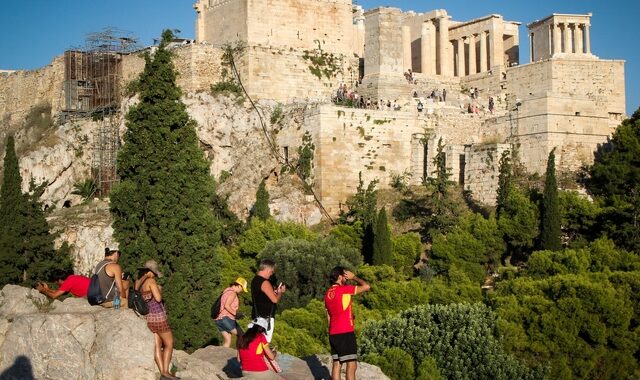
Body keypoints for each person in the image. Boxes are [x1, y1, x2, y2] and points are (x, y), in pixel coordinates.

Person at [136, 260, 179, 380]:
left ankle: (162, 373)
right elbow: (158, 298)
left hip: (148, 317)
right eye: (154, 273)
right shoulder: (151, 281)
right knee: (169, 343)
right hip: (158, 316)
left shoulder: (139, 282)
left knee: (157, 345)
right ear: (150, 272)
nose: (155, 276)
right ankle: (165, 372)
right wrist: (159, 290)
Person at [324, 267, 370, 380]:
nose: (346, 278)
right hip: (345, 332)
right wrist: (354, 277)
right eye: (345, 276)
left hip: (333, 333)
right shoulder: (344, 290)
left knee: (337, 363)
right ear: (340, 277)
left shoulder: (327, 293)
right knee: (352, 365)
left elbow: (329, 315)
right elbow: (367, 286)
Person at [250, 259, 286, 343]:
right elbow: (274, 300)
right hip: (266, 318)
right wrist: (280, 293)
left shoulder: (254, 280)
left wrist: (273, 292)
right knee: (264, 343)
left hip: (256, 315)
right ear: (268, 269)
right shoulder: (265, 282)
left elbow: (262, 296)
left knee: (256, 341)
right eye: (271, 271)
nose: (271, 274)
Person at [216, 277, 248, 347]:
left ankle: (222, 355)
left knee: (228, 340)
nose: (242, 291)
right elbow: (227, 306)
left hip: (219, 319)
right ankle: (241, 355)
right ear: (239, 285)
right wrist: (236, 314)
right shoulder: (233, 293)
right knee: (242, 335)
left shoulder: (226, 290)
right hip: (226, 319)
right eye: (242, 289)